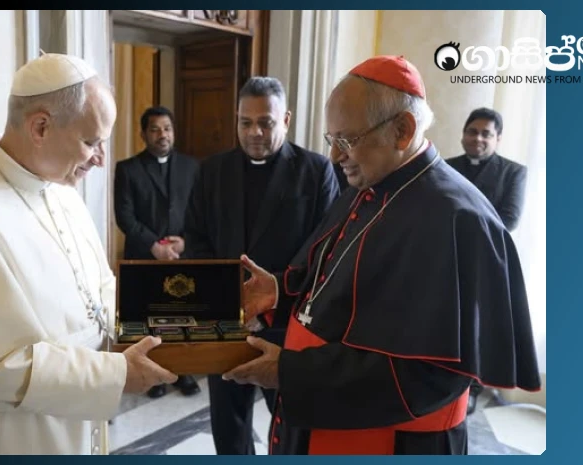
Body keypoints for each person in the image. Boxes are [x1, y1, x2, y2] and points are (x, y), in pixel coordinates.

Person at [221, 56, 542, 455]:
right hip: (324, 415)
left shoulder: (459, 219)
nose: (336, 157)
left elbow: (430, 375)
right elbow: (334, 289)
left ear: (402, 130)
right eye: (331, 140)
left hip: (390, 441)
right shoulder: (369, 183)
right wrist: (279, 294)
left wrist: (289, 370)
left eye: (346, 140)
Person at [0, 53, 177, 455]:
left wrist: (179, 320)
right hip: (11, 433)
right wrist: (114, 375)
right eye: (91, 142)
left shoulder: (61, 190)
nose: (101, 159)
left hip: (79, 417)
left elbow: (100, 291)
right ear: (40, 126)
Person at [184, 76, 341, 455]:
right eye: (245, 122)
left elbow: (325, 250)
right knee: (228, 424)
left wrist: (272, 302)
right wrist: (229, 302)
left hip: (288, 323)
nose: (255, 131)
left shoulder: (316, 170)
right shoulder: (212, 171)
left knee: (290, 425)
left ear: (285, 119)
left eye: (266, 122)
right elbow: (196, 240)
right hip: (227, 319)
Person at [113, 105, 201, 398]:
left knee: (182, 316)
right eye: (155, 129)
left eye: (167, 128)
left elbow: (201, 211)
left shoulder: (192, 167)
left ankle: (183, 371)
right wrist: (154, 245)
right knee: (149, 318)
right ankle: (154, 376)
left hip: (182, 254)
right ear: (143, 134)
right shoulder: (127, 169)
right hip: (143, 254)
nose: (162, 135)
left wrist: (185, 242)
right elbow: (124, 216)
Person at [446, 108, 527, 231]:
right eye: (472, 132)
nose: (478, 138)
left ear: (498, 139)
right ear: (463, 134)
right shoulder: (445, 167)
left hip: (487, 245)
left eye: (486, 134)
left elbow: (509, 219)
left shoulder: (513, 172)